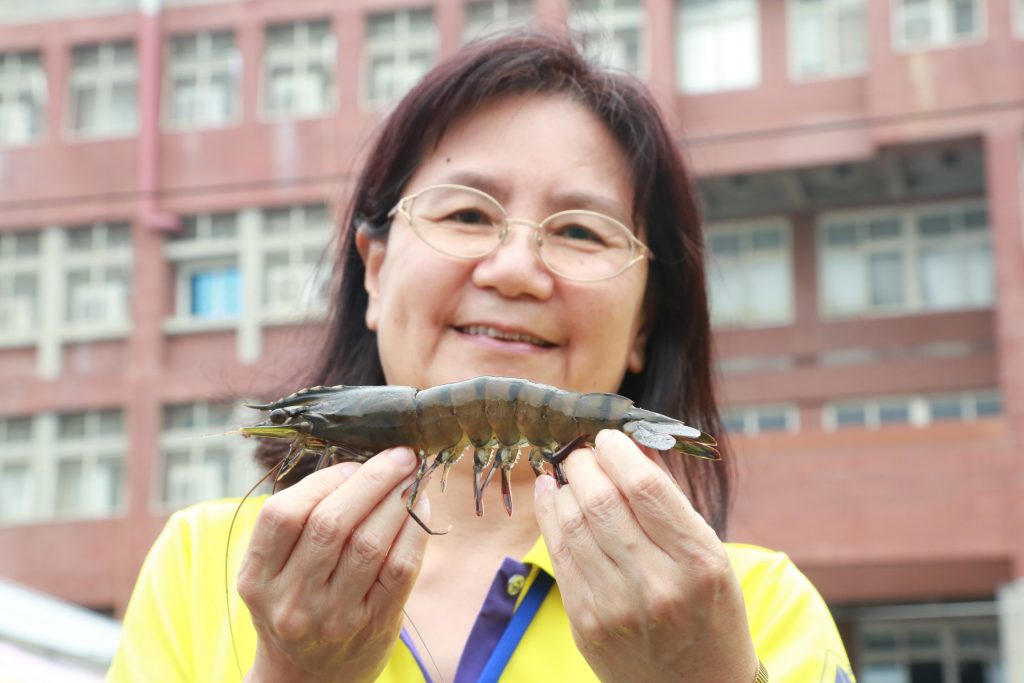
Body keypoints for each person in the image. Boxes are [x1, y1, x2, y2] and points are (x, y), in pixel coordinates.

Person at [108, 31, 855, 683]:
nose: (515, 269)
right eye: (467, 213)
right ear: (373, 270)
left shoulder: (752, 606)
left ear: (643, 323)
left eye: (581, 232)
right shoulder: (200, 561)